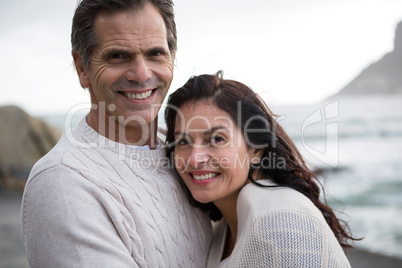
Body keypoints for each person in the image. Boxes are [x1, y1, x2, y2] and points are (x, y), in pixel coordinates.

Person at [21, 1, 212, 267]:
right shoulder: (63, 183)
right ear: (82, 68)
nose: (142, 74)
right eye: (118, 56)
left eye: (155, 53)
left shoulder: (185, 152)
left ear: (173, 57)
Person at [165, 71, 356, 267]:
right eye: (184, 141)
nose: (195, 159)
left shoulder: (280, 222)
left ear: (256, 148)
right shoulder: (224, 225)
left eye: (217, 139)